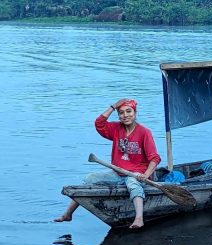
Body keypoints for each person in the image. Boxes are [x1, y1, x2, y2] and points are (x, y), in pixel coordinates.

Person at [55, 98, 161, 229]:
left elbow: (155, 158)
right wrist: (113, 106)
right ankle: (68, 214)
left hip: (137, 174)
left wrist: (146, 175)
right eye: (121, 112)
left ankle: (139, 218)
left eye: (129, 111)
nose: (125, 115)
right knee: (90, 179)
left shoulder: (145, 132)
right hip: (117, 173)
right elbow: (99, 123)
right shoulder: (116, 128)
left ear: (135, 112)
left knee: (133, 184)